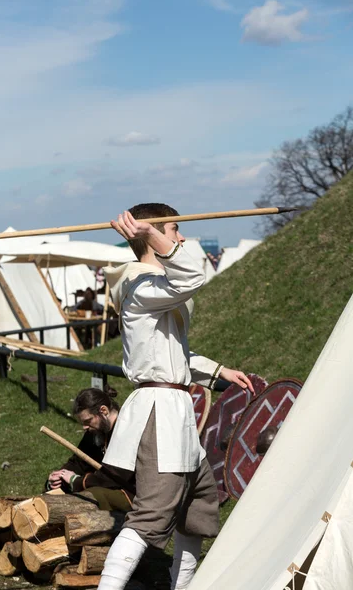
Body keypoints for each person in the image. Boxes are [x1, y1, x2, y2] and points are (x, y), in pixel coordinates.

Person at [98, 204, 255, 590]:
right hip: (158, 414)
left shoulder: (154, 285)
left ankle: (183, 586)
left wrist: (218, 371)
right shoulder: (140, 285)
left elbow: (172, 351)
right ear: (152, 235)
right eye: (173, 230)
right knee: (153, 513)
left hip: (176, 411)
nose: (180, 237)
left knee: (198, 502)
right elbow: (191, 278)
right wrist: (151, 234)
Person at [46, 386, 134, 512]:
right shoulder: (95, 430)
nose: (84, 427)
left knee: (91, 496)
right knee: (51, 494)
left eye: (88, 421)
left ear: (103, 411)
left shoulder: (126, 430)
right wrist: (59, 476)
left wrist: (76, 481)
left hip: (129, 493)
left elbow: (114, 476)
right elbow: (79, 462)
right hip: (103, 483)